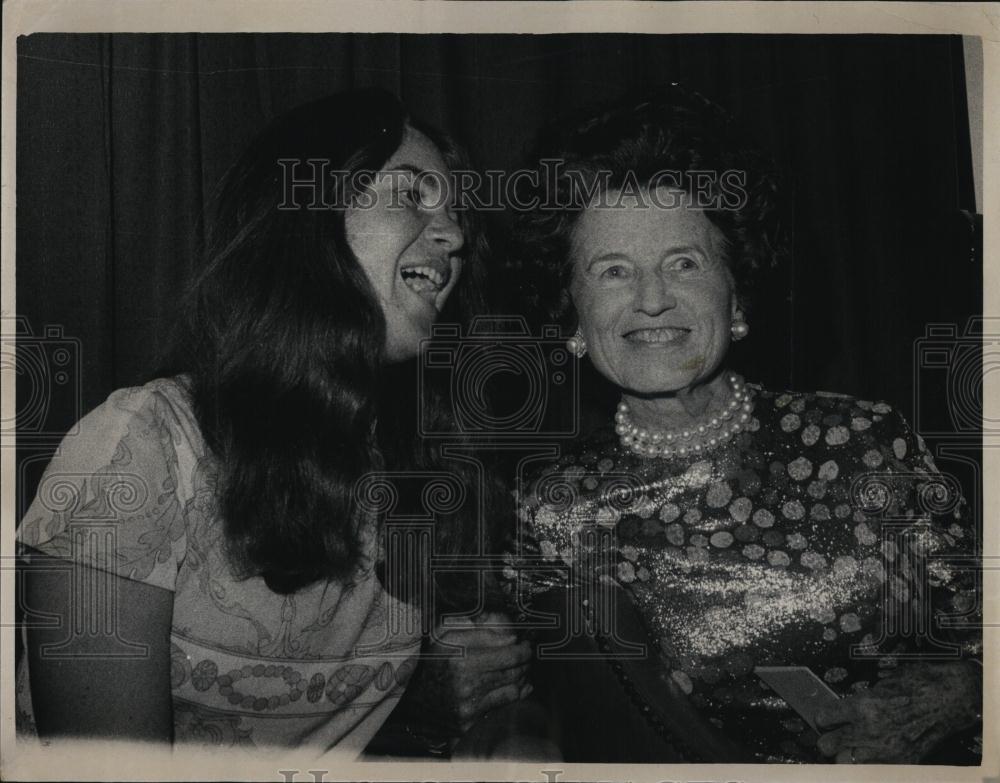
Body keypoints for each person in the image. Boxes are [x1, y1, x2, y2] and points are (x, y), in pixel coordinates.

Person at [16, 88, 529, 755]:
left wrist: (428, 695)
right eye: (412, 192)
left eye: (455, 211)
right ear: (308, 214)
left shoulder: (415, 462)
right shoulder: (143, 445)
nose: (455, 236)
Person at [503, 87, 982, 763]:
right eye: (613, 271)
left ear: (736, 298)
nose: (651, 298)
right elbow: (535, 709)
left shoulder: (865, 441)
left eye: (684, 263)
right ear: (573, 320)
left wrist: (959, 692)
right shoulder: (552, 505)